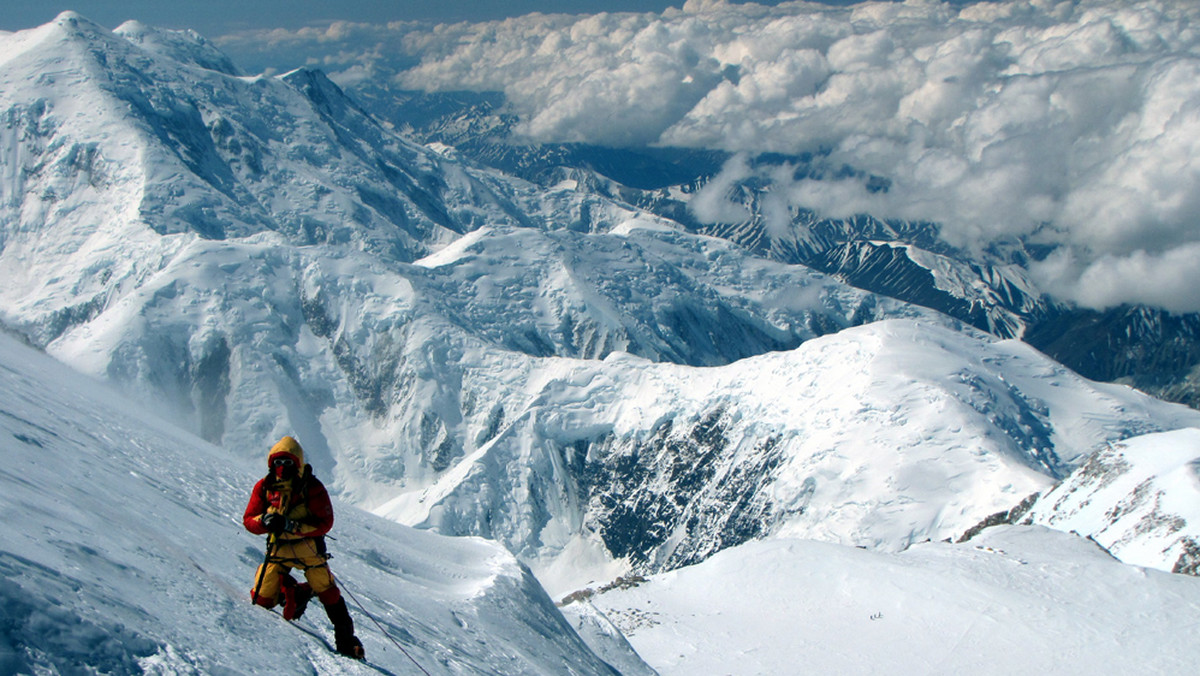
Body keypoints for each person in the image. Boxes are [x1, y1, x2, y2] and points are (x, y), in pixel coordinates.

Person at [243, 435, 365, 660]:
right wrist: (265, 521)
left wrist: (290, 525)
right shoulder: (265, 487)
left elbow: (325, 523)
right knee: (261, 599)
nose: (282, 468)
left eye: (287, 463)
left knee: (329, 593)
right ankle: (296, 591)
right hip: (279, 551)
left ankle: (346, 642)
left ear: (297, 463)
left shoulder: (312, 488)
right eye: (278, 463)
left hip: (309, 553)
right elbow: (249, 519)